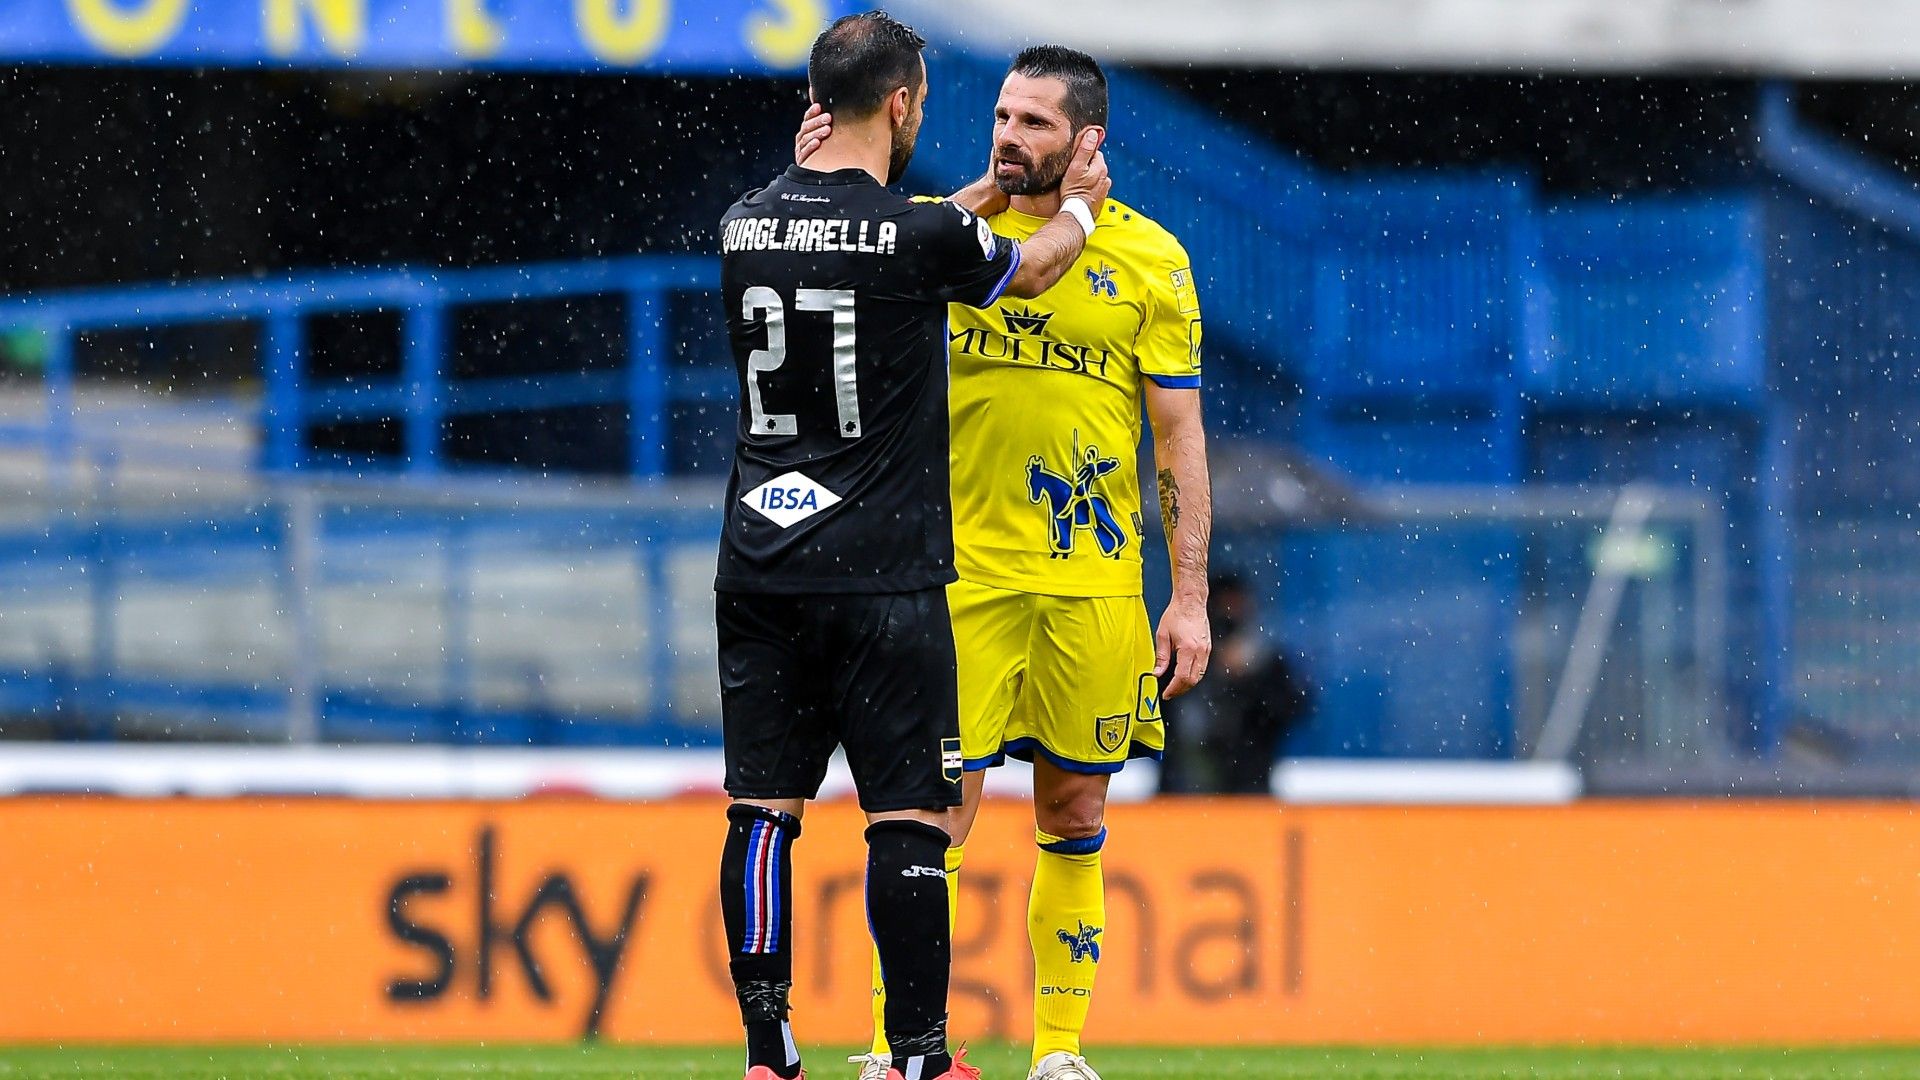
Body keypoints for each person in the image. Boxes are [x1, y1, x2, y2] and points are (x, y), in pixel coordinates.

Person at [799, 44, 1213, 1080]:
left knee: (1075, 814)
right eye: (1000, 116)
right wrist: (813, 179)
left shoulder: (1154, 261)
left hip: (1094, 589)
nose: (1007, 135)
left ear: (1087, 141)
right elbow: (822, 264)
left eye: (1033, 122)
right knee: (931, 818)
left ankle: (1060, 1052)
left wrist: (1191, 597)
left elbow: (1179, 442)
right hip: (960, 583)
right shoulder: (945, 232)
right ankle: (908, 1047)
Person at [716, 12, 1109, 1080]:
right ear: (900, 105)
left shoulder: (744, 221)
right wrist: (1074, 205)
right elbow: (1025, 270)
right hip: (882, 568)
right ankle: (927, 1058)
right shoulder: (915, 237)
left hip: (757, 562)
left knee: (761, 810)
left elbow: (876, 238)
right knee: (908, 818)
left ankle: (768, 1052)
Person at [1158, 572, 1312, 794]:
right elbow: (1153, 711)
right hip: (1182, 795)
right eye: (1223, 611)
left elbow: (1292, 708)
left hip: (1246, 795)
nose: (1229, 620)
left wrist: (1250, 678)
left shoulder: (1264, 663)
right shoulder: (1175, 662)